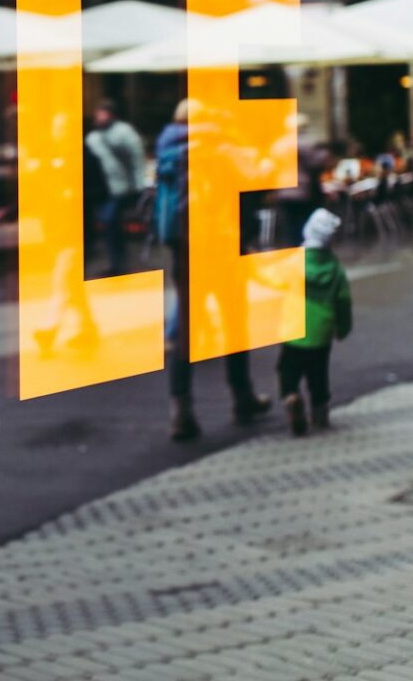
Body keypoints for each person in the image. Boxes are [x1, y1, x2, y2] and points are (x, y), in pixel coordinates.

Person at [154, 99, 272, 441]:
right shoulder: (221, 148)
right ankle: (243, 397)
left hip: (184, 247)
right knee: (234, 321)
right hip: (221, 244)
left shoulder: (169, 150)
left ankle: (181, 411)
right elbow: (257, 182)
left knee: (188, 329)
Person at [277, 208, 352, 435]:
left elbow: (278, 286)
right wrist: (343, 328)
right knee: (318, 375)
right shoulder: (335, 268)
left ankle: (291, 397)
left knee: (287, 371)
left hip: (293, 329)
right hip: (322, 332)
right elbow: (343, 300)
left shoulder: (294, 262)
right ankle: (320, 412)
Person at [85, 99, 145, 275]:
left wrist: (138, 184)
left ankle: (119, 263)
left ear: (112, 114)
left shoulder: (124, 133)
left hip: (120, 187)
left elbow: (136, 159)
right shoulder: (93, 137)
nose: (98, 117)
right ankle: (116, 261)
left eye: (102, 113)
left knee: (111, 221)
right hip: (101, 188)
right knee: (109, 223)